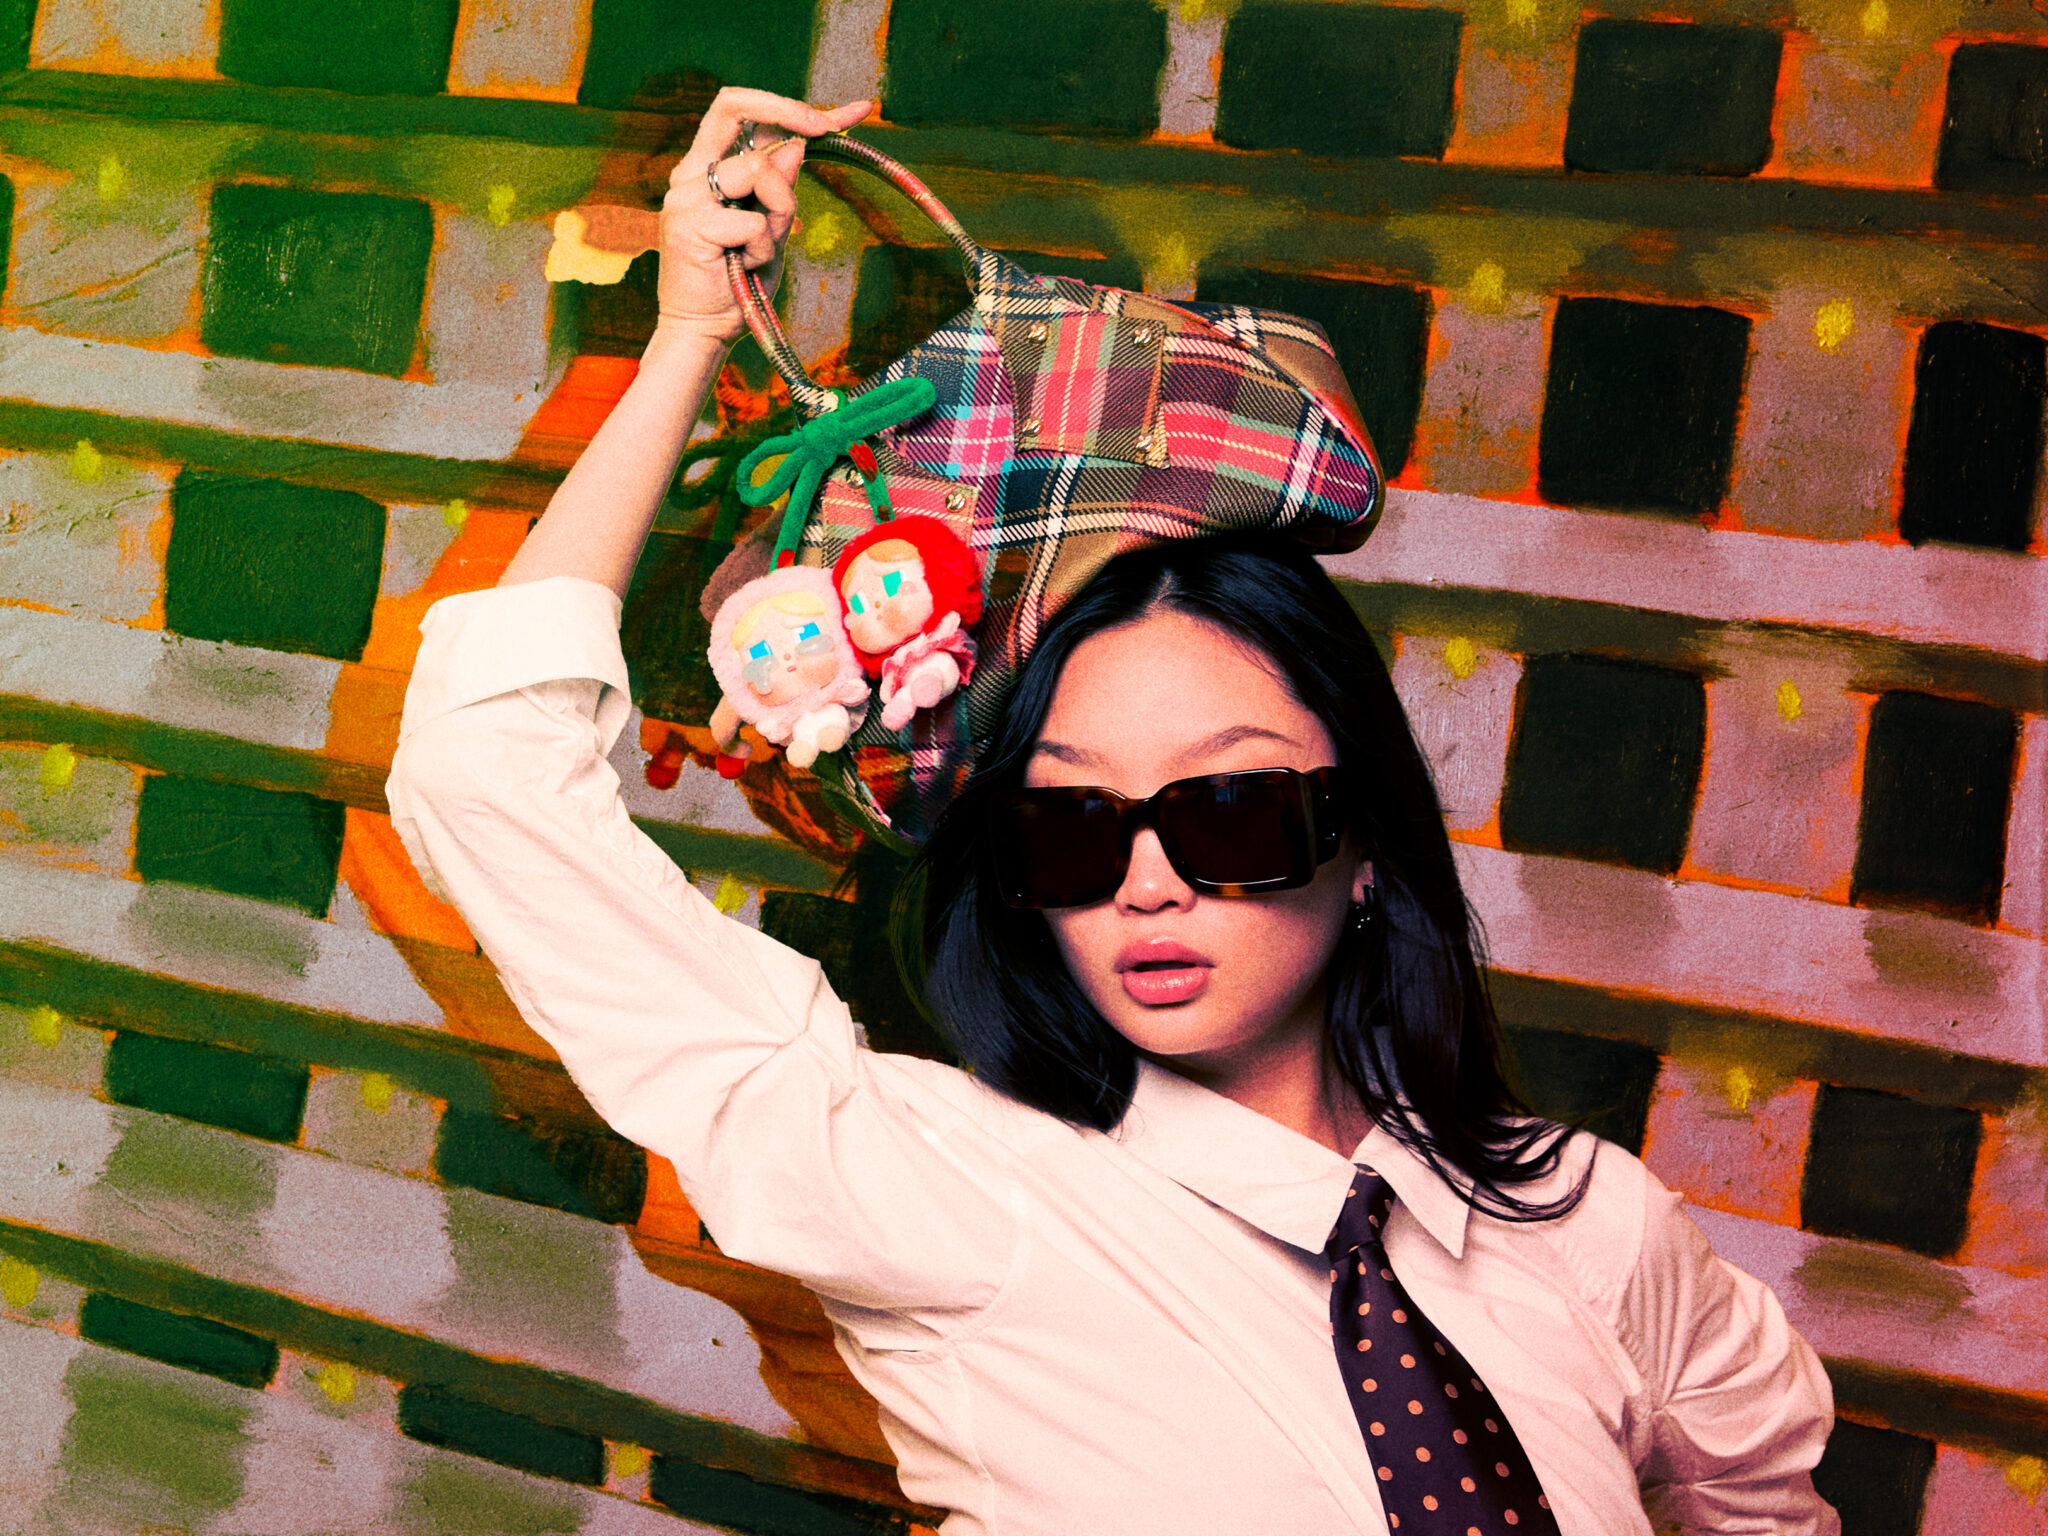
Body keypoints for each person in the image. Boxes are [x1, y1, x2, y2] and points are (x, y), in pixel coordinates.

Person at [385, 87, 1840, 1536]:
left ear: (1368, 846)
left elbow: (1763, 1503)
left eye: (1230, 811)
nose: (1149, 883)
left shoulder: (1591, 1225)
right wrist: (688, 338)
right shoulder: (956, 1204)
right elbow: (486, 776)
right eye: (1074, 828)